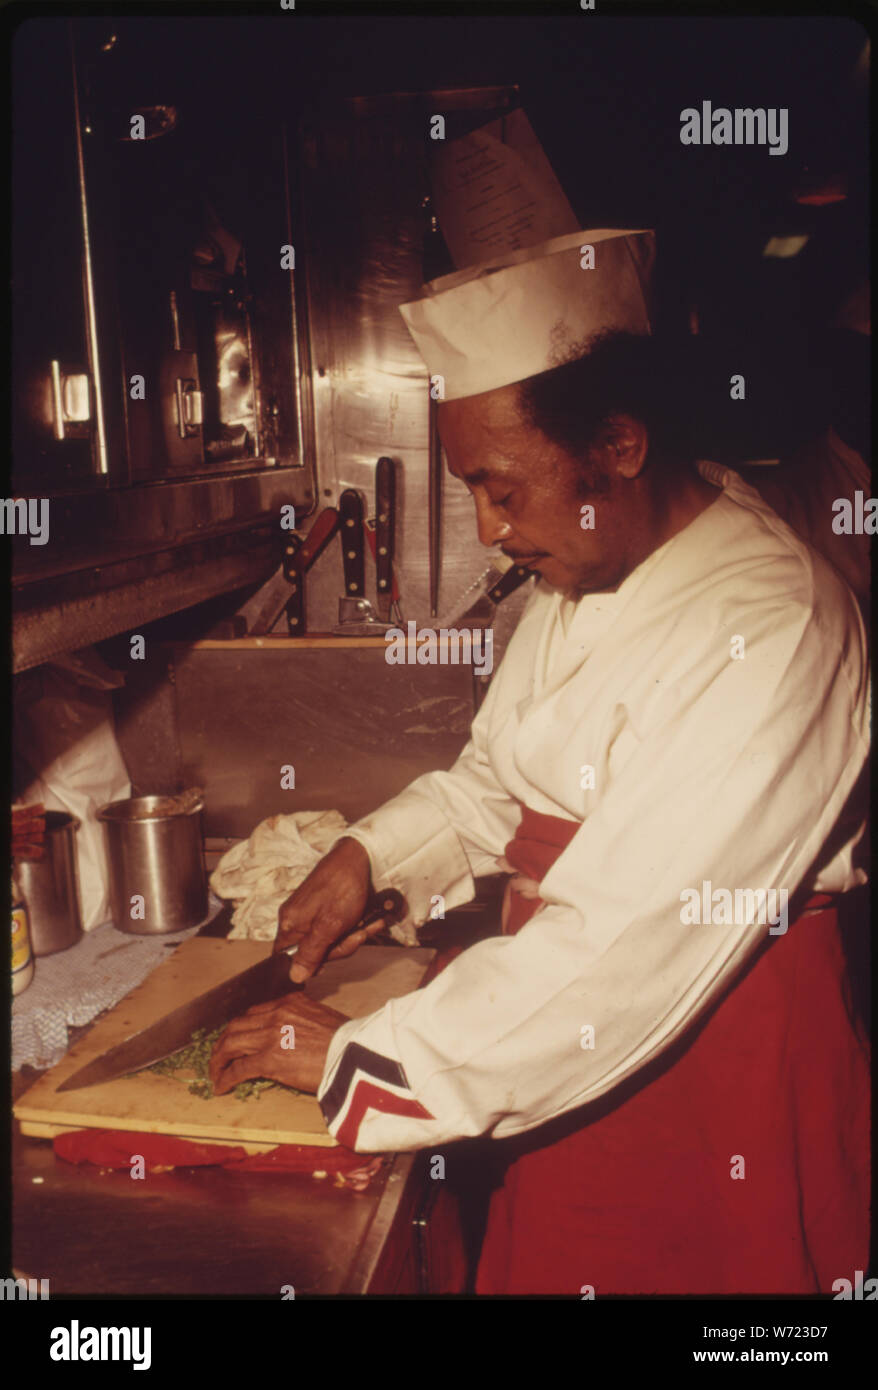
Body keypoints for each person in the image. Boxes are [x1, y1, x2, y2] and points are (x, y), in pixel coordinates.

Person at [210, 230, 869, 1295]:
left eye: (502, 489)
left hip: (706, 1061)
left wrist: (364, 1055)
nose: (488, 528)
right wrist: (371, 855)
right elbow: (499, 784)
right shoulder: (582, 578)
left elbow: (618, 944)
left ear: (617, 444)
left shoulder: (772, 621)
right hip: (554, 1042)